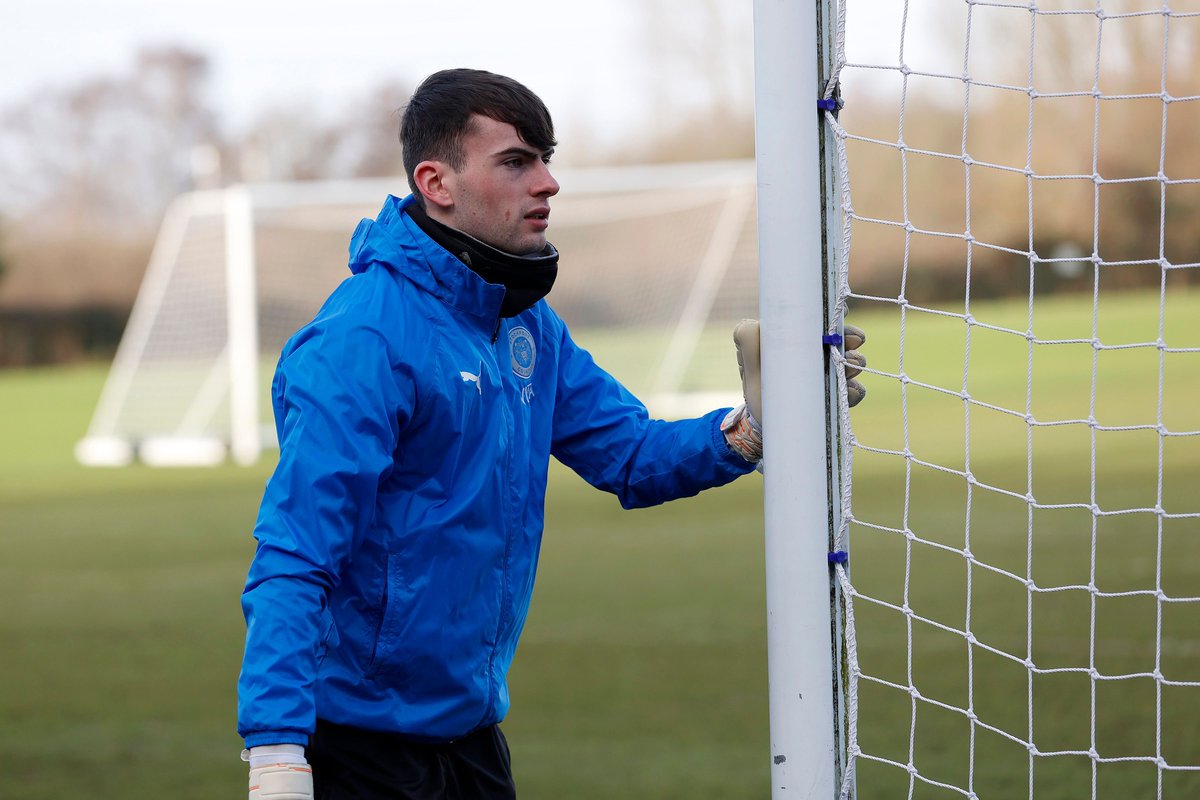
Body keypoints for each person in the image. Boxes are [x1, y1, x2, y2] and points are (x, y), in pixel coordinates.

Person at [237, 68, 866, 800]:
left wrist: (749, 432)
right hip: (358, 755)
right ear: (436, 182)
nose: (548, 183)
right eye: (516, 161)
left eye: (546, 157)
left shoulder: (524, 322)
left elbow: (630, 455)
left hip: (471, 743)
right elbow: (295, 553)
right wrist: (276, 754)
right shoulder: (363, 339)